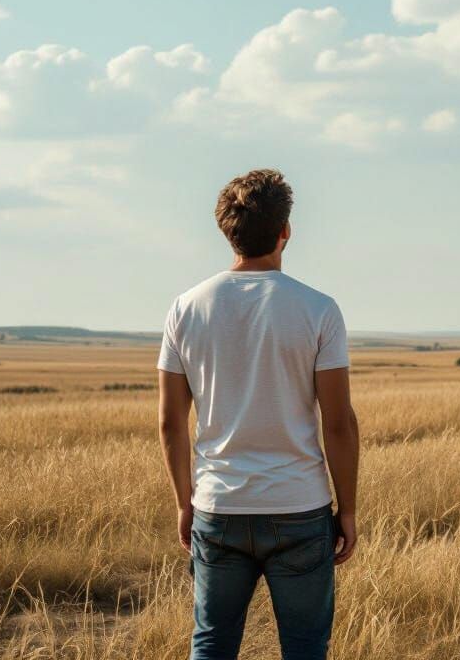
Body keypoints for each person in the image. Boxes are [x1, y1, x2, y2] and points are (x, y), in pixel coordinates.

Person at [157, 169, 360, 660]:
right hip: (299, 507)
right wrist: (348, 511)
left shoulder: (185, 308)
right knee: (306, 648)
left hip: (218, 506)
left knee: (211, 643)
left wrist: (186, 502)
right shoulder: (318, 309)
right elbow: (338, 423)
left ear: (227, 230)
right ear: (285, 230)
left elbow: (170, 423)